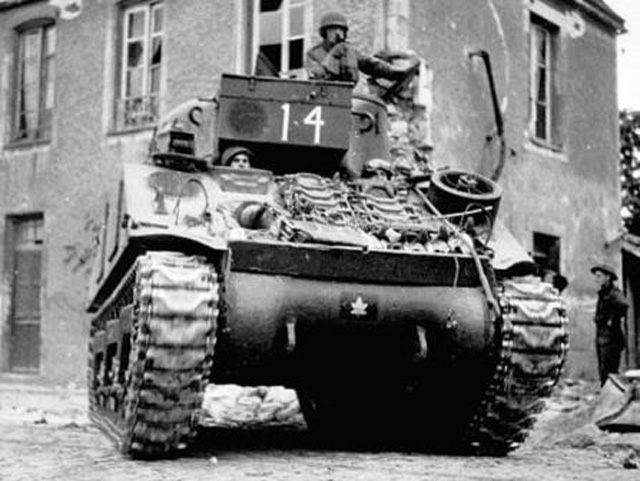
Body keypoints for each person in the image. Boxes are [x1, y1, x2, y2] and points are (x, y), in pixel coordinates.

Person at [305, 11, 414, 84]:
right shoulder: (314, 53)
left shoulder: (349, 50)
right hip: (324, 98)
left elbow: (371, 65)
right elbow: (317, 76)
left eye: (340, 29)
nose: (337, 33)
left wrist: (397, 73)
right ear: (325, 32)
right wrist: (334, 53)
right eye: (332, 29)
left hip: (347, 96)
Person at [591, 263, 629, 386]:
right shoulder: (604, 293)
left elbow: (623, 304)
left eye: (599, 276)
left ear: (608, 277)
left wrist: (612, 319)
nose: (596, 279)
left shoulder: (613, 293)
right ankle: (606, 396)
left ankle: (611, 398)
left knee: (609, 371)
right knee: (603, 371)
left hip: (611, 338)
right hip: (602, 336)